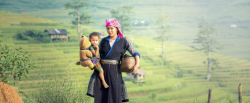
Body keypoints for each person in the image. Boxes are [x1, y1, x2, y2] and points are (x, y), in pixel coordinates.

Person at [87, 19, 140, 103]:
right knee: (101, 97)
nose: (109, 30)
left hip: (115, 72)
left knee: (115, 95)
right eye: (108, 28)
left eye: (111, 28)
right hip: (102, 72)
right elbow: (96, 54)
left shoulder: (123, 41)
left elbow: (135, 53)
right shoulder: (103, 41)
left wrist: (136, 65)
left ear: (117, 28)